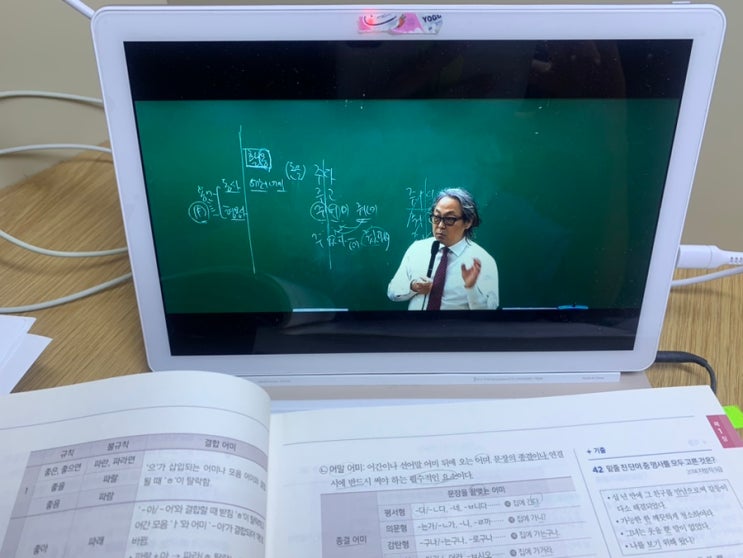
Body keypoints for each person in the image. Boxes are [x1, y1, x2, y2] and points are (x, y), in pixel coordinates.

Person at [387, 188, 499, 310]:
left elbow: (490, 313)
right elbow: (392, 292)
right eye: (436, 217)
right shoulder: (417, 249)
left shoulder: (482, 261)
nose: (440, 226)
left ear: (468, 222)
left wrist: (471, 288)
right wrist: (413, 286)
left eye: (449, 219)